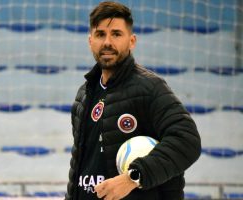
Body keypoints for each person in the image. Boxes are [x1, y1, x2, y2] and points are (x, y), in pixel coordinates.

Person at [65, 1, 201, 200]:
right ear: (90, 41)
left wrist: (132, 178)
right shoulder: (83, 95)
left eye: (116, 34)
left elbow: (187, 141)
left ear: (132, 41)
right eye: (100, 34)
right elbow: (79, 166)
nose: (107, 42)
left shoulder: (149, 88)